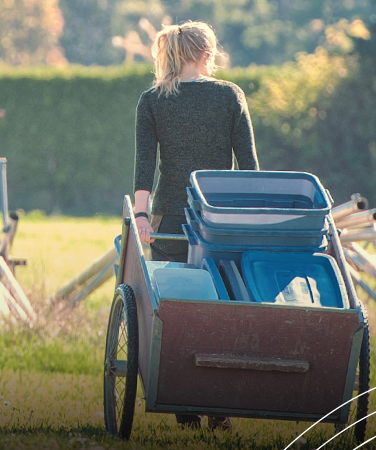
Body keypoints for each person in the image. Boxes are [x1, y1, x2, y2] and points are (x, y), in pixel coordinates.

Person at [129, 20, 256, 431]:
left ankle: (185, 406)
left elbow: (144, 169)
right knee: (222, 308)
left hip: (170, 218)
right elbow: (249, 167)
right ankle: (219, 405)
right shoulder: (230, 95)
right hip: (221, 220)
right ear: (207, 53)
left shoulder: (152, 100)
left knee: (177, 309)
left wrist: (143, 217)